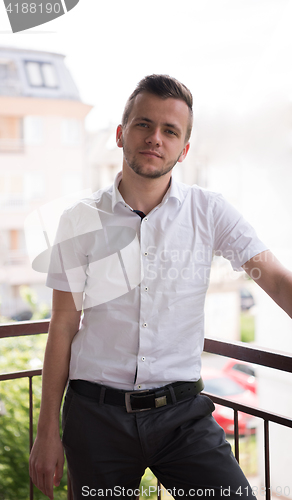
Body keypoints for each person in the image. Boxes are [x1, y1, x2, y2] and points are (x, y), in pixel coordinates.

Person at [29, 74, 292, 500]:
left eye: (170, 131)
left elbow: (276, 279)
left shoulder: (210, 212)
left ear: (184, 149)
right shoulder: (79, 220)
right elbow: (62, 324)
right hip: (95, 420)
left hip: (182, 418)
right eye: (143, 124)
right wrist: (47, 433)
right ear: (121, 134)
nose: (155, 138)